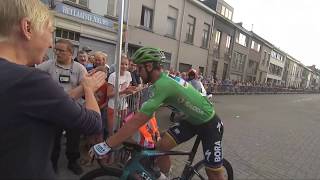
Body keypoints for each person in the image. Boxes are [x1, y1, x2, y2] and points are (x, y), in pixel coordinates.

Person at [0, 0, 105, 179]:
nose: (50, 45)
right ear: (27, 28)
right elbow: (93, 123)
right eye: (50, 32)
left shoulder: (27, 79)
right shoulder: (31, 79)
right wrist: (88, 89)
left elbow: (53, 98)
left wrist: (80, 88)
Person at [91, 47, 225, 180]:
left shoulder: (163, 85)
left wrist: (107, 144)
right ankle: (165, 176)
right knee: (161, 147)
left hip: (209, 123)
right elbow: (146, 113)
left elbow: (137, 121)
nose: (137, 73)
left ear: (149, 66)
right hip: (191, 120)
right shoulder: (162, 80)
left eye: (140, 69)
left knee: (213, 173)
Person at [37, 39, 88, 175]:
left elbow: (85, 87)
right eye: (56, 50)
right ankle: (53, 163)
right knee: (54, 138)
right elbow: (35, 78)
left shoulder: (79, 68)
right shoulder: (47, 66)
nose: (57, 53)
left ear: (71, 53)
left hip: (73, 109)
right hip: (54, 110)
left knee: (74, 138)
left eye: (61, 50)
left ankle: (73, 161)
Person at [106, 55, 135, 136]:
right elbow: (109, 94)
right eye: (122, 64)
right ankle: (110, 139)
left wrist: (133, 89)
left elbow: (128, 86)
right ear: (118, 64)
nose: (124, 66)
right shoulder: (113, 76)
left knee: (124, 123)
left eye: (126, 64)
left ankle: (120, 138)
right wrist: (123, 91)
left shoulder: (128, 74)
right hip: (112, 104)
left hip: (123, 103)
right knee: (111, 129)